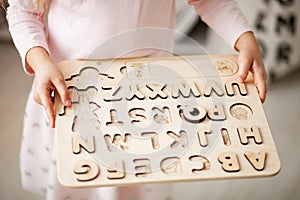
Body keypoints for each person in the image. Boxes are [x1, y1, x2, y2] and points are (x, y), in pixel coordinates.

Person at [5, 0, 267, 199]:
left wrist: (244, 37)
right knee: (77, 186)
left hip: (149, 106)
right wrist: (40, 62)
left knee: (134, 188)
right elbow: (24, 11)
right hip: (72, 100)